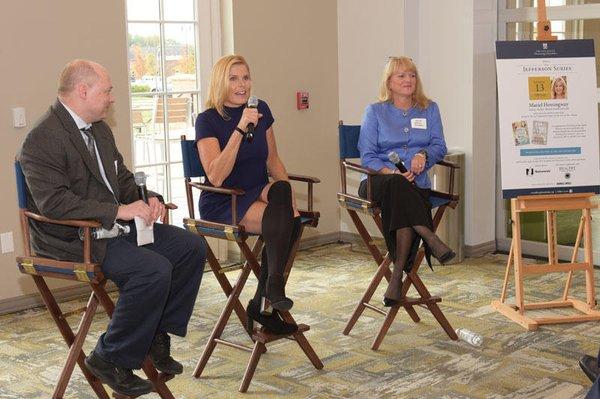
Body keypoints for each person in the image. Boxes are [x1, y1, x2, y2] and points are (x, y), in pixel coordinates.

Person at [19, 60, 206, 397]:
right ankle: (109, 356)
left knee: (190, 247)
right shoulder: (42, 138)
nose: (112, 98)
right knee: (153, 270)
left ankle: (154, 336)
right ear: (83, 91)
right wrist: (119, 210)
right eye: (107, 91)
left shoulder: (99, 130)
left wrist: (148, 199)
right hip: (73, 237)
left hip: (110, 229)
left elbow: (120, 180)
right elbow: (54, 204)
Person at [195, 54, 299, 336]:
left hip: (258, 189)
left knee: (283, 197)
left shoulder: (261, 109)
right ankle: (268, 298)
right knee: (284, 223)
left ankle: (264, 296)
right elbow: (216, 176)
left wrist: (290, 199)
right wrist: (241, 128)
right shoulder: (207, 120)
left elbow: (273, 160)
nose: (242, 85)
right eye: (233, 78)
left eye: (246, 77)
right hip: (224, 198)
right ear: (220, 82)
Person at [358, 56, 455, 307]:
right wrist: (392, 173)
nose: (408, 80)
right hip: (377, 182)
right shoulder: (375, 111)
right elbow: (367, 156)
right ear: (389, 82)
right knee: (398, 186)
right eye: (401, 75)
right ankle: (428, 235)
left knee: (402, 196)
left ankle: (397, 274)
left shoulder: (429, 108)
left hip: (414, 185)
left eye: (411, 75)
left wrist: (424, 155)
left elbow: (439, 146)